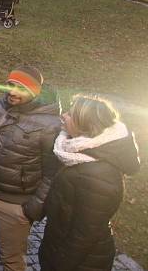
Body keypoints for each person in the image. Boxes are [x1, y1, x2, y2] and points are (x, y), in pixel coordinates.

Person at [0, 66, 62, 271]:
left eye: (21, 88)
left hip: (14, 204)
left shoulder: (51, 125)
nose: (13, 92)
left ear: (35, 92)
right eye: (10, 85)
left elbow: (52, 173)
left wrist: (34, 207)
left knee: (12, 260)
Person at [39, 95, 140, 271]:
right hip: (59, 246)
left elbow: (84, 235)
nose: (63, 115)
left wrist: (59, 265)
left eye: (70, 115)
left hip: (81, 262)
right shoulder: (74, 151)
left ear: (85, 125)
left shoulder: (99, 176)